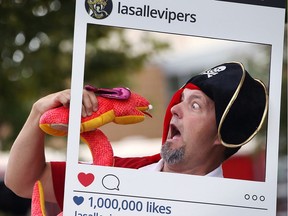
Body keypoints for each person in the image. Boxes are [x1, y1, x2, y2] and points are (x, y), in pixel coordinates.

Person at [4, 62, 268, 211]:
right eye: (182, 99)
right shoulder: (126, 171)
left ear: (220, 135)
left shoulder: (233, 208)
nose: (174, 109)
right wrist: (39, 111)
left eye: (195, 105)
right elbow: (25, 181)